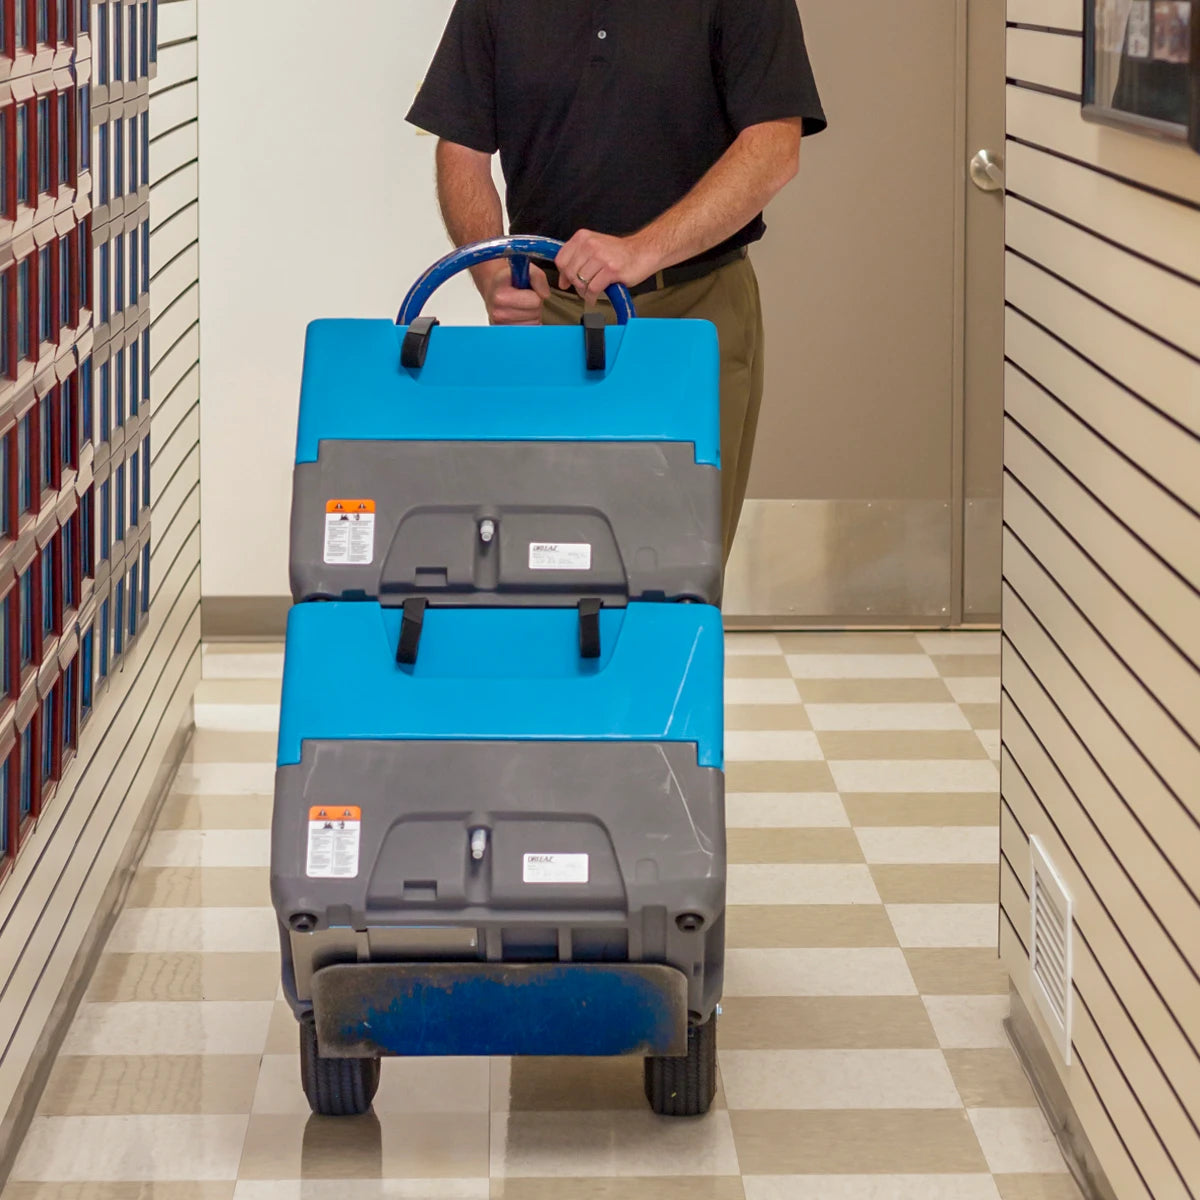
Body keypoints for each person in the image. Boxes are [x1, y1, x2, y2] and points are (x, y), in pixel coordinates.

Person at [407, 2, 827, 561]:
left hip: (693, 311)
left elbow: (774, 147)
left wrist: (640, 251)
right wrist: (490, 272)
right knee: (544, 557)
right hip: (550, 319)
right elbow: (461, 147)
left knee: (680, 567)